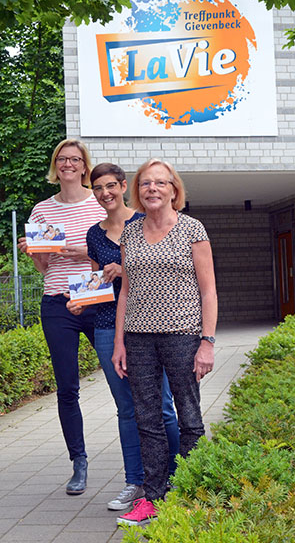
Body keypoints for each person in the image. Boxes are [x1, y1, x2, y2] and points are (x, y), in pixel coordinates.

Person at [67, 163, 180, 512]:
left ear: (123, 185)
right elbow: (96, 281)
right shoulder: (93, 234)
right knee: (127, 409)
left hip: (147, 324)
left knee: (161, 407)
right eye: (98, 188)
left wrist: (123, 268)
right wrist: (82, 300)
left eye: (111, 186)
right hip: (105, 326)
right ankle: (137, 483)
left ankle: (177, 477)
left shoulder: (144, 221)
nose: (105, 194)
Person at [112, 158, 217, 526]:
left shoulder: (192, 229)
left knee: (189, 417)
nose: (152, 188)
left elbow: (208, 291)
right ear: (138, 191)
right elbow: (125, 291)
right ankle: (153, 498)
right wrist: (119, 343)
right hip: (138, 338)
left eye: (160, 182)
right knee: (147, 420)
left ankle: (190, 494)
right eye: (145, 183)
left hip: (183, 336)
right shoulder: (130, 231)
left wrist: (207, 341)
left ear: (174, 190)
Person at [18, 138, 106, 496]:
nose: (68, 164)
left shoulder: (100, 203)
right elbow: (44, 267)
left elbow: (114, 245)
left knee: (122, 375)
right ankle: (79, 462)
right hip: (57, 302)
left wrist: (78, 249)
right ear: (56, 166)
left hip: (95, 295)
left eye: (75, 159)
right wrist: (33, 252)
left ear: (85, 166)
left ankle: (143, 455)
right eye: (62, 159)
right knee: (67, 387)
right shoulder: (42, 211)